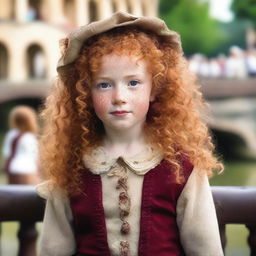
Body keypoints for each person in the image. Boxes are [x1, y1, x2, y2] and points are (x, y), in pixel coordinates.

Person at [37, 11, 224, 256]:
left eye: (133, 83)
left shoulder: (182, 166)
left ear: (154, 89)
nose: (119, 97)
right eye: (104, 84)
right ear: (87, 95)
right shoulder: (71, 166)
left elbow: (205, 248)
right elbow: (53, 247)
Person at [2, 105, 39, 184]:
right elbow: (35, 155)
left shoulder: (11, 134)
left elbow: (7, 152)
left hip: (13, 168)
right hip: (29, 169)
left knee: (12, 194)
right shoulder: (30, 137)